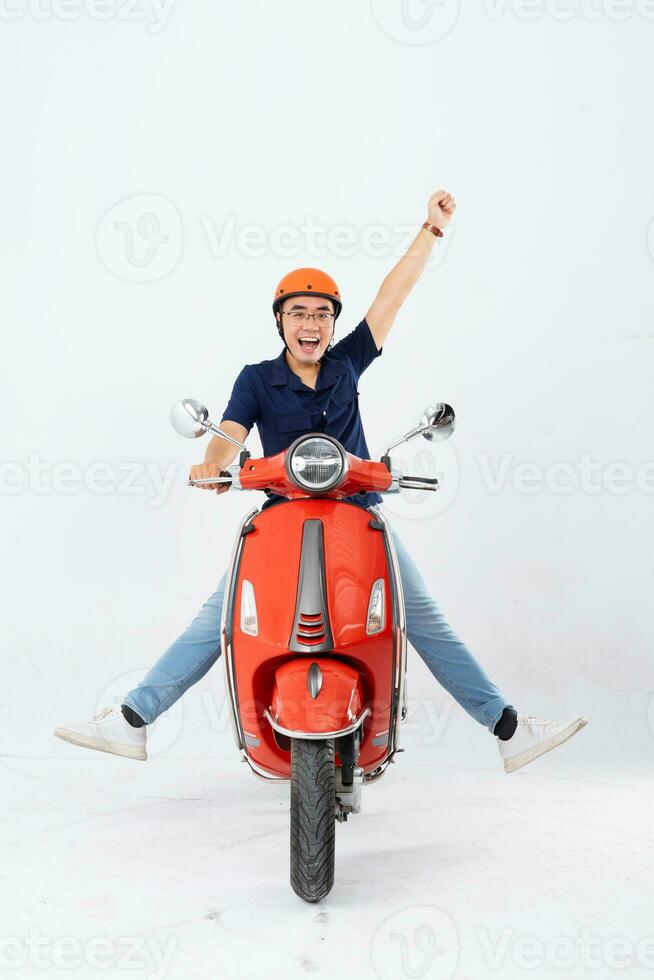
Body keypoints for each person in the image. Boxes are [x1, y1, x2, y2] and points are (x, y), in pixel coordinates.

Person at [55, 189, 587, 773]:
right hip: (279, 522)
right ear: (281, 321)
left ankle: (507, 730)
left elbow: (391, 297)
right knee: (221, 618)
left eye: (322, 314)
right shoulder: (257, 379)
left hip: (359, 516)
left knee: (421, 618)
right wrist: (212, 464)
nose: (311, 324)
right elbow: (227, 434)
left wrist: (430, 232)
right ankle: (133, 722)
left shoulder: (347, 362)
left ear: (333, 323)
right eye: (299, 313)